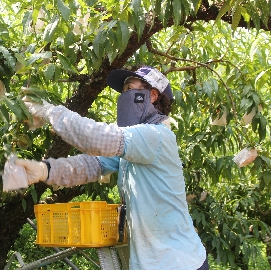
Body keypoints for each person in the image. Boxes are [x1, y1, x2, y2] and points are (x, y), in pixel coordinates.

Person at [11, 66, 208, 270]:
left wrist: (49, 111)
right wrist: (45, 170)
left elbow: (98, 139)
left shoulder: (156, 136)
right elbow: (93, 164)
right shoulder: (135, 146)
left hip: (178, 263)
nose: (124, 96)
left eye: (129, 88)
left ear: (151, 96)